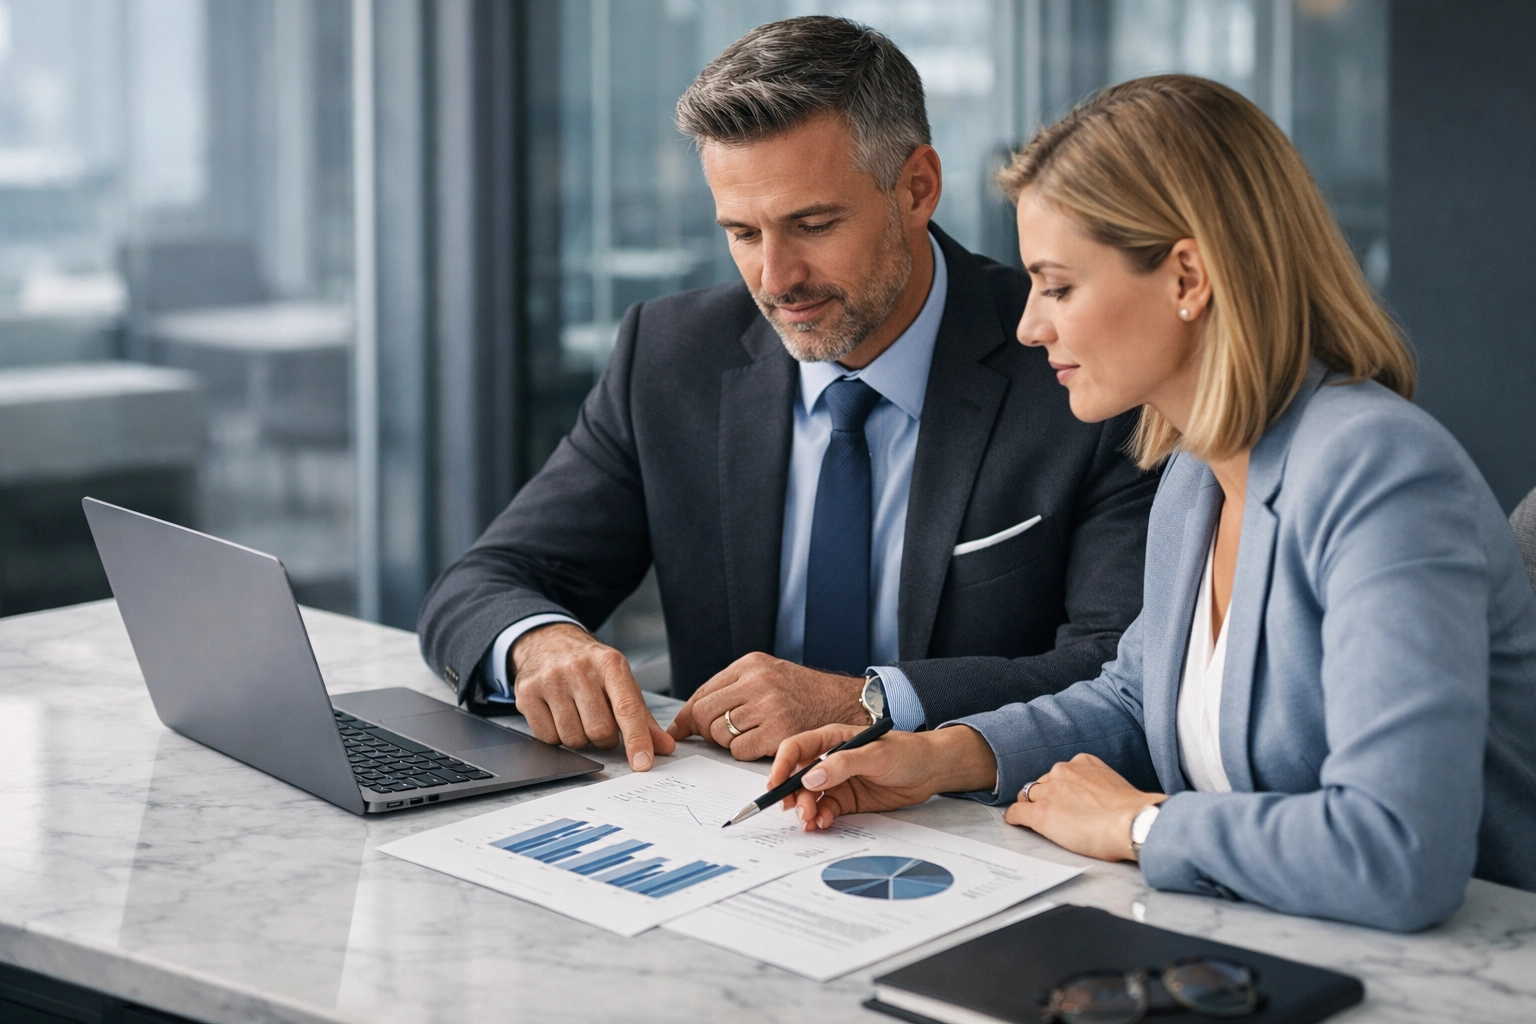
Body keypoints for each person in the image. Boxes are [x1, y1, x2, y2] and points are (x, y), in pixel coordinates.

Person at [767, 74, 1536, 932]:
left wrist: (1138, 823)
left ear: (1188, 277)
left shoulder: (1381, 474)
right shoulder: (1194, 473)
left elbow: (1400, 851)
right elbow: (1138, 699)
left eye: (1057, 286)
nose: (1028, 326)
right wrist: (939, 756)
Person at [416, 17, 1158, 773]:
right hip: (722, 816)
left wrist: (868, 700)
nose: (776, 280)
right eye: (742, 233)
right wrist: (543, 644)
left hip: (975, 820)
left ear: (916, 188)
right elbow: (481, 584)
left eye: (812, 224)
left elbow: (1119, 666)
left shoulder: (1077, 366)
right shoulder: (671, 357)